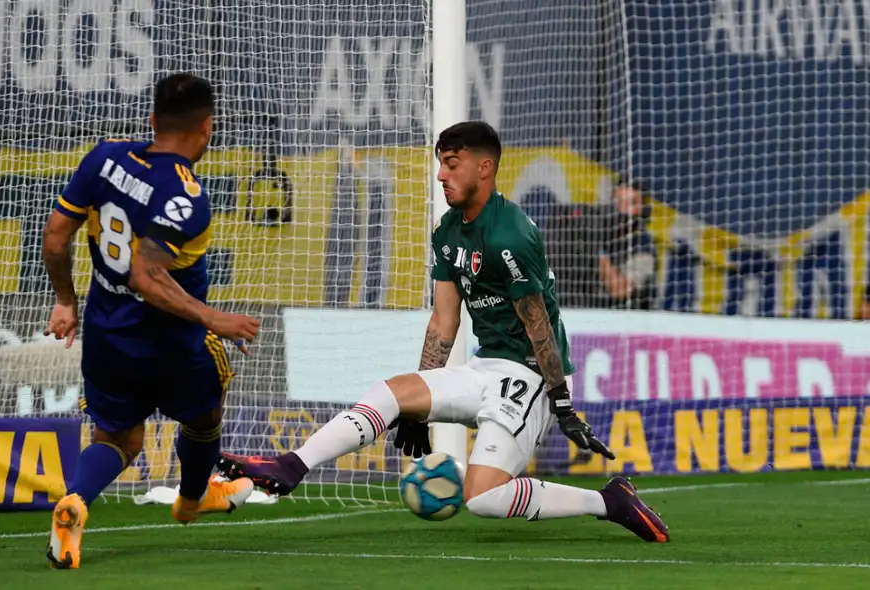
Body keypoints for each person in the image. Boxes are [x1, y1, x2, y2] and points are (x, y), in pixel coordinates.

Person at [218, 121, 669, 542]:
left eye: (452, 164)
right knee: (390, 393)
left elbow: (539, 324)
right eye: (440, 164)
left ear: (484, 168)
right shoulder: (448, 230)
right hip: (486, 365)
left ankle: (609, 501)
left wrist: (562, 403)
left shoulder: (509, 235)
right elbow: (444, 320)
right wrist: (418, 410)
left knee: (483, 498)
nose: (440, 175)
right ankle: (290, 466)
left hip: (531, 374)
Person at [40, 73, 261, 569]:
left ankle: (74, 501)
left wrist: (66, 302)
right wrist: (214, 318)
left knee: (119, 438)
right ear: (206, 128)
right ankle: (192, 499)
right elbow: (146, 276)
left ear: (152, 119)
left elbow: (55, 235)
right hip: (172, 342)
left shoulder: (105, 157)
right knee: (204, 414)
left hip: (105, 331)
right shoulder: (187, 197)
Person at [596, 176, 657, 310]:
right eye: (619, 201)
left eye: (631, 203)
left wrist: (599, 253)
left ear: (643, 210)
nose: (622, 208)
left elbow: (619, 290)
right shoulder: (602, 233)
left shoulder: (644, 246)